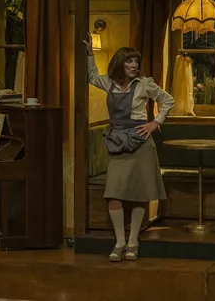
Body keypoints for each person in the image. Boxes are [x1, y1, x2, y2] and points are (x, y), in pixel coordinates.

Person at [84, 35, 174, 261]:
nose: (134, 65)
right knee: (114, 193)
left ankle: (133, 242)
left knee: (138, 193)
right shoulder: (109, 83)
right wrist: (90, 54)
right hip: (118, 142)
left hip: (140, 142)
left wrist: (156, 122)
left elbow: (167, 100)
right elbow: (92, 76)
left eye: (136, 62)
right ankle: (119, 242)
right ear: (120, 63)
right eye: (129, 61)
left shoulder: (144, 83)